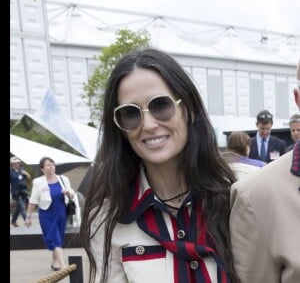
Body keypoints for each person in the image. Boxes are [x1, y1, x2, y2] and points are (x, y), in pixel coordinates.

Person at [80, 48, 238, 283]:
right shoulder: (106, 216)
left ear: (189, 109)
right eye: (130, 113)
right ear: (120, 129)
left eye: (161, 105)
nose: (149, 124)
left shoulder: (240, 192)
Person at [229, 61, 300, 282]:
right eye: (262, 126)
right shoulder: (255, 197)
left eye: (268, 125)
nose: (265, 128)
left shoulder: (278, 143)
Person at [25, 156, 75, 271]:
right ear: (42, 169)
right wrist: (28, 217)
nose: (51, 167)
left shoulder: (63, 179)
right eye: (48, 165)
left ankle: (54, 263)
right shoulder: (38, 182)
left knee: (59, 238)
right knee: (55, 238)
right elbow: (33, 201)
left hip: (61, 212)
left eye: (52, 164)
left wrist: (68, 192)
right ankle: (63, 266)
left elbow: (72, 193)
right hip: (46, 214)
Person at [10, 156, 31, 227]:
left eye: (18, 163)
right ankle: (27, 222)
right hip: (16, 192)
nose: (18, 164)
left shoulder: (21, 170)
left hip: (23, 191)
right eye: (16, 163)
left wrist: (27, 174)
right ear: (12, 164)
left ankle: (13, 221)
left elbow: (28, 178)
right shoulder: (10, 172)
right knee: (22, 207)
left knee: (18, 208)